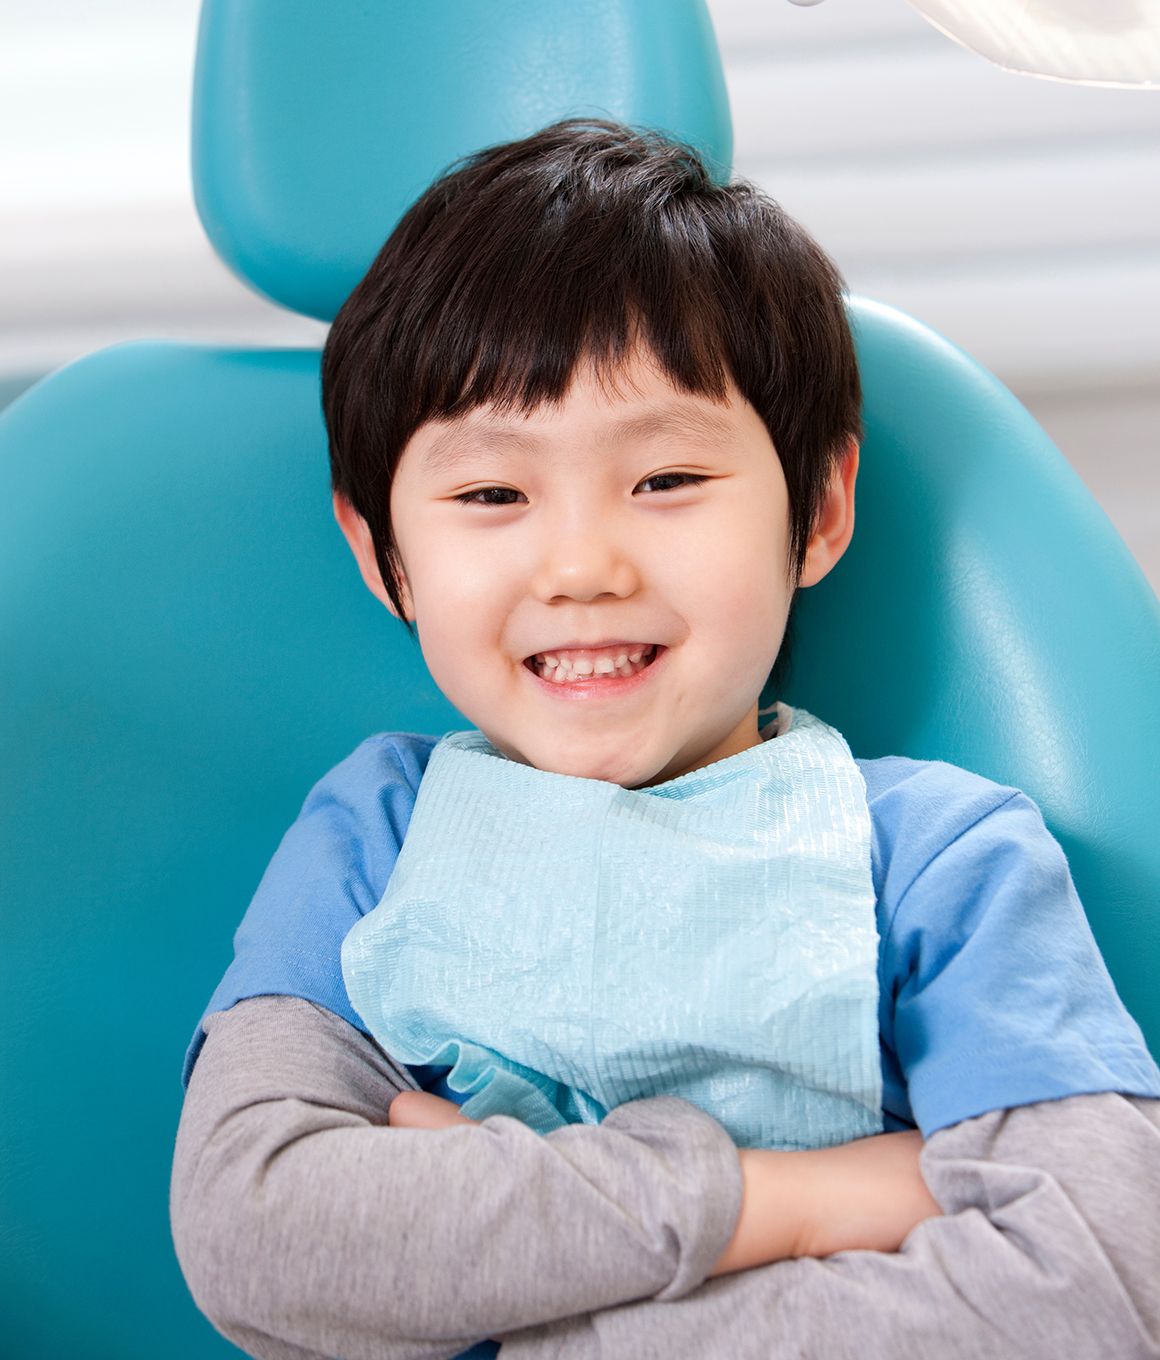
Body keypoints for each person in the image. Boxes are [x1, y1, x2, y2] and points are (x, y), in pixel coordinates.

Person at [170, 122, 1160, 1360]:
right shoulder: (372, 835)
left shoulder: (937, 860)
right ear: (383, 555)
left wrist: (515, 1283)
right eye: (490, 495)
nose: (582, 565)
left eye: (667, 479)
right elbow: (257, 1232)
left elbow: (1102, 1282)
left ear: (819, 509)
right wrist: (790, 1202)